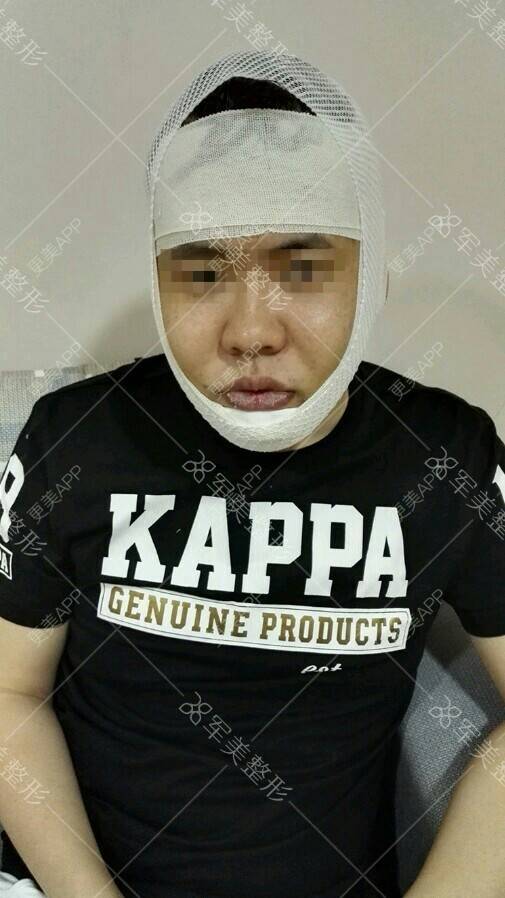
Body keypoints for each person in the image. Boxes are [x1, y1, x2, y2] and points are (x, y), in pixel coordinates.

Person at [0, 52, 504, 898]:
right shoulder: (77, 437)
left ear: (368, 268)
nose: (250, 332)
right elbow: (8, 693)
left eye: (301, 269)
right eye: (202, 272)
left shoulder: (444, 456)